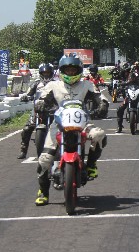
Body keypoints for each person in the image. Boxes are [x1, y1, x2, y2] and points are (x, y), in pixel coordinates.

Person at [33, 54, 107, 206]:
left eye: (73, 70)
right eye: (67, 70)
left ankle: (91, 165)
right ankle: (43, 192)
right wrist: (40, 104)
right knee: (44, 159)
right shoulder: (53, 85)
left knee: (99, 135)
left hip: (83, 121)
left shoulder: (87, 84)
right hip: (58, 124)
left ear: (79, 70)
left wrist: (102, 105)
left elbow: (100, 97)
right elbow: (41, 98)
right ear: (61, 71)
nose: (71, 73)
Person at [17, 63, 55, 159]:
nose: (46, 75)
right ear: (41, 73)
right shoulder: (36, 83)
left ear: (51, 73)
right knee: (27, 129)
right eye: (44, 73)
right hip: (37, 110)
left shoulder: (57, 84)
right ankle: (23, 150)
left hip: (53, 110)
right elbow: (28, 93)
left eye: (48, 73)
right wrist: (26, 97)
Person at [116, 63, 139, 133]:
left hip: (137, 91)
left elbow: (130, 81)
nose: (126, 72)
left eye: (126, 70)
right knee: (120, 109)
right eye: (125, 71)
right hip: (129, 93)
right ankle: (119, 126)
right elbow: (119, 82)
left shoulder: (133, 74)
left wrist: (122, 84)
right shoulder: (122, 75)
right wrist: (119, 87)